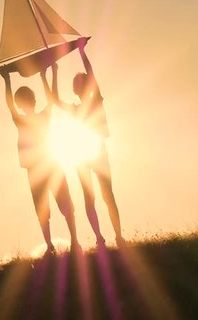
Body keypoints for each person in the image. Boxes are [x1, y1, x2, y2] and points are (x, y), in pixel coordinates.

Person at [50, 37, 124, 246]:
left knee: (105, 195)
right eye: (79, 85)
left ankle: (116, 236)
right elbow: (55, 99)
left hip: (95, 152)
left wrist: (81, 52)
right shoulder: (80, 107)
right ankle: (102, 237)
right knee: (93, 197)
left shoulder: (96, 100)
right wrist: (53, 72)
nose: (82, 87)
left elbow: (91, 75)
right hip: (84, 154)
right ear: (75, 90)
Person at [2, 65, 80, 254]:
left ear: (33, 101)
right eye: (23, 101)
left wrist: (49, 74)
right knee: (43, 209)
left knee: (65, 205)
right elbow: (10, 104)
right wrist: (7, 80)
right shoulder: (21, 120)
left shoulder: (42, 116)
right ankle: (50, 245)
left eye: (28, 99)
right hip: (37, 170)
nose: (26, 103)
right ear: (23, 103)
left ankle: (74, 241)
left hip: (51, 165)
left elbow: (50, 100)